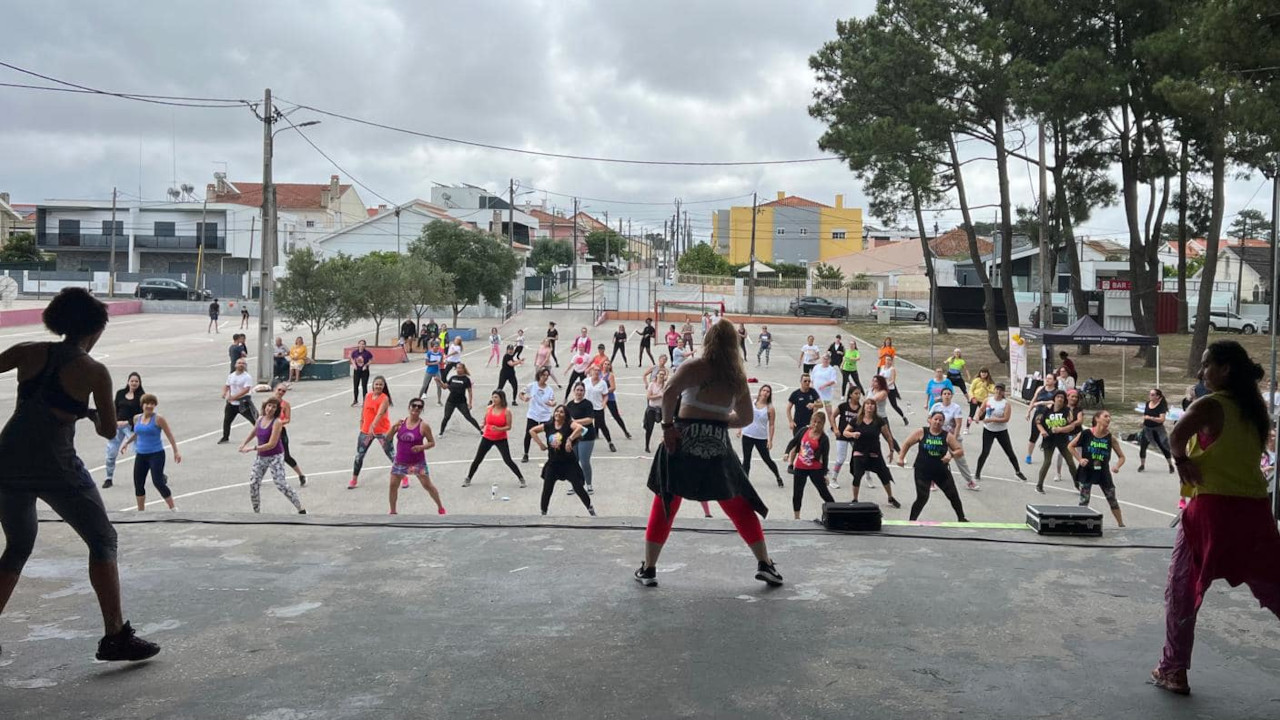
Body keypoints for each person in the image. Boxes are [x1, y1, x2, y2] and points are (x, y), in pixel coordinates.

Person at [0, 288, 161, 662]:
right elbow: (108, 430)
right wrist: (86, 412)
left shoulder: (29, 351)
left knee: (19, 546)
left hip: (7, 459)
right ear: (95, 330)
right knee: (103, 540)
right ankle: (115, 635)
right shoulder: (93, 371)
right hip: (56, 466)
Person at [1153, 341, 1280, 696]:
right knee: (1274, 585)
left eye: (1206, 364)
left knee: (1182, 588)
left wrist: (1182, 462)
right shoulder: (1255, 411)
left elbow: (1176, 437)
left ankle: (1173, 669)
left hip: (1212, 511)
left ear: (1225, 370)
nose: (1200, 372)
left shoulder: (1209, 405)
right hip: (1254, 511)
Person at [636, 319, 781, 588]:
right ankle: (764, 562)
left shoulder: (694, 367)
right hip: (717, 443)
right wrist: (718, 422)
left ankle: (649, 568)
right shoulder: (735, 377)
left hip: (682, 438)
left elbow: (669, 393)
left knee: (667, 500)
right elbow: (746, 417)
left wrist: (668, 426)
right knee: (737, 502)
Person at [897, 411, 969, 523]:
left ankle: (961, 518)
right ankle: (911, 521)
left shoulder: (947, 436)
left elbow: (960, 450)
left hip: (941, 471)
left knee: (953, 495)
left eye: (940, 420)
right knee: (922, 498)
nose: (937, 422)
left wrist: (951, 455)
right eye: (935, 419)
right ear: (930, 420)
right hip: (922, 471)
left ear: (943, 422)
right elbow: (907, 443)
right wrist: (901, 458)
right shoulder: (922, 432)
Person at [239, 397, 306, 515]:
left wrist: (251, 448)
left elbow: (271, 444)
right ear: (265, 406)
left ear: (276, 410)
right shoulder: (260, 419)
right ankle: (256, 512)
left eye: (274, 407)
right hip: (261, 456)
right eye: (269, 406)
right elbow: (254, 431)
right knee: (254, 482)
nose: (270, 409)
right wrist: (244, 443)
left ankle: (300, 508)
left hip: (275, 456)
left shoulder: (277, 422)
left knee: (281, 484)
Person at [118, 393, 181, 511]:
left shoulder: (158, 419)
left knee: (158, 482)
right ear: (142, 405)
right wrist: (126, 443)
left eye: (152, 404)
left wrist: (176, 451)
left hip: (156, 454)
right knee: (138, 483)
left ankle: (172, 507)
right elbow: (138, 433)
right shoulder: (137, 418)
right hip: (141, 455)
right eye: (147, 403)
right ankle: (141, 511)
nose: (149, 406)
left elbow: (170, 435)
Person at [530, 405, 595, 516]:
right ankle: (543, 512)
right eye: (556, 411)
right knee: (547, 489)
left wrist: (570, 439)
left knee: (578, 487)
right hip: (553, 464)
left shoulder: (569, 425)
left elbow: (580, 428)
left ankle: (590, 509)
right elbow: (532, 431)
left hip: (568, 464)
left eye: (561, 412)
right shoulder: (548, 425)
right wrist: (540, 444)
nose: (558, 414)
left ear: (565, 415)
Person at [387, 398, 445, 515]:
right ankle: (393, 511)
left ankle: (440, 507)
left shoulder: (424, 426)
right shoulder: (401, 423)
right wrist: (393, 428)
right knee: (393, 485)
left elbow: (432, 442)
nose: (416, 408)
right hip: (400, 461)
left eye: (419, 407)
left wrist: (421, 447)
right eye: (414, 406)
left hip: (417, 462)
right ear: (409, 407)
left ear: (422, 410)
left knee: (427, 485)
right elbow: (388, 439)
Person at [1069, 410, 1125, 527]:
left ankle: (1121, 524)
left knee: (1112, 498)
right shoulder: (1086, 434)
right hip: (1087, 471)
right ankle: (1079, 524)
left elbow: (1122, 457)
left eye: (1109, 416)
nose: (1108, 419)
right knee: (1084, 500)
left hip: (1103, 472)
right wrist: (1080, 459)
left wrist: (1117, 466)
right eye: (1105, 416)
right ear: (1097, 419)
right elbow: (1070, 446)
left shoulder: (1110, 438)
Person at [462, 391, 526, 488]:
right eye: (493, 397)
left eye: (496, 397)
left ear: (501, 399)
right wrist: (482, 424)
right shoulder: (489, 408)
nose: (493, 399)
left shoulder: (507, 411)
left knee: (507, 460)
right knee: (478, 458)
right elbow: (485, 419)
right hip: (487, 437)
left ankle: (521, 478)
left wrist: (498, 429)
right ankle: (468, 478)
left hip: (501, 438)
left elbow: (508, 427)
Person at [846, 398, 902, 507]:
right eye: (867, 404)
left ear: (875, 407)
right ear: (864, 406)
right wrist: (853, 434)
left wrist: (891, 450)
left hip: (874, 452)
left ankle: (890, 497)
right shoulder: (856, 419)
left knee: (884, 475)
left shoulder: (879, 421)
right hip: (859, 452)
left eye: (872, 404)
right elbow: (845, 432)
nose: (870, 406)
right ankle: (855, 499)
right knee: (857, 476)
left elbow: (888, 437)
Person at [973, 383, 1027, 482]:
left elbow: (1006, 419)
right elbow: (981, 410)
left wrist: (992, 419)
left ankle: (1018, 472)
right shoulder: (988, 400)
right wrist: (977, 416)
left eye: (1000, 390)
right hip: (988, 430)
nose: (998, 392)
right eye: (997, 389)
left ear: (1003, 392)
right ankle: (977, 472)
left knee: (1009, 452)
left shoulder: (1005, 404)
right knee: (985, 452)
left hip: (1001, 431)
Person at [787, 411, 835, 519]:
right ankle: (797, 517)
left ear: (823, 424)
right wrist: (787, 453)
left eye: (819, 423)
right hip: (800, 468)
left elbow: (825, 457)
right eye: (814, 422)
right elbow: (793, 442)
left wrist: (824, 474)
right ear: (811, 421)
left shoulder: (824, 438)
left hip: (815, 469)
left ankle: (835, 511)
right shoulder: (804, 431)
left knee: (824, 492)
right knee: (797, 494)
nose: (816, 424)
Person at [349, 376, 395, 489]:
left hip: (382, 431)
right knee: (359, 456)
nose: (378, 386)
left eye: (381, 384)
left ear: (384, 386)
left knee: (392, 455)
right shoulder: (368, 396)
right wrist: (361, 420)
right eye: (376, 384)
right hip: (366, 431)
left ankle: (403, 477)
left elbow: (379, 414)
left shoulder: (385, 398)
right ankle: (354, 479)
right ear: (373, 385)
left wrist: (372, 426)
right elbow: (364, 409)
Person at [931, 388, 979, 491]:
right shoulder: (936, 406)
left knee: (960, 459)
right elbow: (929, 418)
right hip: (939, 436)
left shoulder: (956, 407)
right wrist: (934, 427)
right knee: (935, 458)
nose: (947, 395)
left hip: (952, 436)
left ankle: (970, 481)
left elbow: (958, 424)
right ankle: (932, 481)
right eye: (944, 394)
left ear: (951, 395)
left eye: (949, 394)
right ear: (941, 395)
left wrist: (954, 438)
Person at [102, 371, 144, 489]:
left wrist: (128, 422)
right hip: (118, 427)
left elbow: (142, 415)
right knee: (111, 452)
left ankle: (157, 474)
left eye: (136, 381)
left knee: (140, 452)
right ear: (128, 382)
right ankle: (108, 478)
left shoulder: (141, 396)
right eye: (132, 381)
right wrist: (113, 421)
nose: (134, 383)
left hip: (132, 427)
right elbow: (114, 408)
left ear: (139, 383)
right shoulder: (121, 393)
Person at [739, 384, 783, 488]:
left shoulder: (770, 408)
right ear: (760, 391)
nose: (765, 393)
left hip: (761, 437)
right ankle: (745, 482)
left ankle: (778, 476)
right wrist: (740, 428)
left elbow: (771, 425)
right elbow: (744, 415)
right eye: (764, 390)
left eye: (768, 391)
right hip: (748, 435)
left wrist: (770, 440)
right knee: (746, 460)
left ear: (769, 394)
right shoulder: (752, 402)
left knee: (767, 459)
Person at [1034, 390, 1077, 494]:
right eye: (1058, 397)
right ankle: (1039, 485)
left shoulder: (1067, 411)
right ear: (1054, 398)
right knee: (1047, 462)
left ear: (1064, 400)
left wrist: (1060, 429)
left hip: (1062, 440)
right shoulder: (1046, 410)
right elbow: (1038, 422)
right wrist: (1043, 431)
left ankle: (1077, 484)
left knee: (1071, 462)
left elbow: (1072, 426)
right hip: (1049, 439)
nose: (1060, 399)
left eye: (1062, 397)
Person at [565, 383, 599, 493]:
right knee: (573, 462)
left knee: (584, 461)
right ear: (573, 391)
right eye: (577, 390)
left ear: (584, 392)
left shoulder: (587, 404)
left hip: (586, 436)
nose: (579, 392)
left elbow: (589, 419)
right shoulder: (569, 405)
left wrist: (575, 422)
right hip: (574, 436)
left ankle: (588, 484)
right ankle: (575, 484)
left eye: (581, 390)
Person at [272, 383, 307, 487]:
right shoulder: (268, 403)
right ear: (275, 389)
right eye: (279, 390)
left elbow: (287, 419)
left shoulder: (285, 404)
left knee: (286, 456)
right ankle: (258, 475)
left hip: (280, 431)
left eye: (283, 391)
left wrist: (278, 422)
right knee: (265, 454)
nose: (281, 392)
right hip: (269, 431)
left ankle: (300, 475)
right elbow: (262, 416)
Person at [519, 368, 557, 462]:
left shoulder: (549, 389)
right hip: (533, 414)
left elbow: (552, 400)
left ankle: (552, 455)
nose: (545, 377)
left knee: (550, 435)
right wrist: (524, 398)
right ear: (539, 375)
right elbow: (521, 393)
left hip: (545, 415)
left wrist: (552, 403)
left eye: (547, 376)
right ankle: (526, 454)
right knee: (528, 434)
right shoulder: (532, 385)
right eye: (544, 375)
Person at [830, 386, 864, 489]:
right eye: (856, 393)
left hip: (854, 436)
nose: (858, 396)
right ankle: (833, 479)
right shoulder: (843, 406)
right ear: (850, 395)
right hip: (842, 435)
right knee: (841, 458)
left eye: (859, 394)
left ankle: (865, 476)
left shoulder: (861, 409)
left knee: (861, 456)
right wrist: (835, 428)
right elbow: (832, 416)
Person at [219, 358, 258, 444]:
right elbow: (227, 385)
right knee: (227, 421)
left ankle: (263, 434)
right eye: (239, 363)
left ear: (245, 366)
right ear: (235, 365)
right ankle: (225, 437)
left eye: (243, 363)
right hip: (231, 404)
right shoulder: (231, 375)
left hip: (243, 403)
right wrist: (224, 393)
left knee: (254, 420)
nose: (241, 365)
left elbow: (246, 389)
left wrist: (234, 397)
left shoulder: (247, 377)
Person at [1024, 373, 1060, 463]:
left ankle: (1048, 457)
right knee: (1033, 436)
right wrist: (1028, 411)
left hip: (1049, 416)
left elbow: (1053, 402)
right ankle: (1029, 455)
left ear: (1054, 381)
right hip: (1038, 414)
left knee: (1049, 437)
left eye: (1050, 379)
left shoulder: (1056, 392)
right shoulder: (1040, 389)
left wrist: (1041, 402)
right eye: (1046, 378)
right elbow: (1034, 400)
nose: (1047, 380)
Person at [1138, 387, 1176, 474]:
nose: (1150, 396)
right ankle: (1142, 465)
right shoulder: (1148, 403)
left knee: (1163, 447)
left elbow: (1162, 419)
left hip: (1157, 430)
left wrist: (1150, 418)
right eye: (1150, 394)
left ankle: (1170, 464)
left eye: (1152, 395)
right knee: (1143, 446)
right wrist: (1143, 422)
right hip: (1147, 429)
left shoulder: (1161, 406)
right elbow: (1145, 415)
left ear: (1157, 397)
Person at [439, 363, 482, 436]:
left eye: (460, 368)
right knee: (446, 417)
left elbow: (470, 391)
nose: (458, 370)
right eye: (457, 368)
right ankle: (441, 432)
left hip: (461, 402)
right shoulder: (452, 378)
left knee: (468, 417)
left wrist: (470, 403)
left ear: (463, 369)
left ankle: (480, 431)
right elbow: (444, 387)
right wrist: (439, 381)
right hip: (451, 401)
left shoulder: (466, 379)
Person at [584, 365, 617, 453]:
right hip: (587, 408)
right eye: (595, 370)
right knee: (584, 425)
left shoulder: (603, 383)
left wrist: (604, 403)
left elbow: (605, 394)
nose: (596, 372)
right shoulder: (586, 381)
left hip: (598, 407)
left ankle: (610, 442)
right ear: (591, 371)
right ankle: (583, 443)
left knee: (602, 425)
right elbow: (579, 390)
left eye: (598, 370)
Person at [810, 352, 841, 432]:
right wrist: (812, 387)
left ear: (829, 360)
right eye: (824, 359)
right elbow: (812, 378)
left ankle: (833, 426)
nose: (825, 360)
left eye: (827, 359)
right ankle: (811, 424)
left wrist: (825, 385)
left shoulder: (831, 370)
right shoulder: (816, 367)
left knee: (829, 411)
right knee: (815, 409)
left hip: (826, 394)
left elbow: (833, 381)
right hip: (817, 394)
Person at [601, 360, 631, 441]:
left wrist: (604, 392)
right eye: (605, 364)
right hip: (600, 398)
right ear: (602, 365)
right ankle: (596, 433)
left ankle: (625, 431)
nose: (606, 366)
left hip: (610, 398)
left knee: (616, 415)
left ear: (610, 366)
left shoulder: (610, 375)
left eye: (608, 364)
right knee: (598, 415)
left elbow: (613, 388)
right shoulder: (599, 374)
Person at [642, 367, 669, 454]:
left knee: (666, 427)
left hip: (662, 409)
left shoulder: (666, 386)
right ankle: (647, 445)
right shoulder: (652, 385)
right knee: (649, 428)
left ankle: (666, 444)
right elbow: (649, 397)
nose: (661, 376)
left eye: (663, 375)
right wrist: (659, 395)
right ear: (657, 375)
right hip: (652, 409)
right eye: (660, 374)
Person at [878, 356, 909, 424]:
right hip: (882, 389)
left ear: (891, 361)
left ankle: (903, 417)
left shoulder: (892, 369)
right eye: (887, 360)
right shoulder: (882, 367)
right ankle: (877, 418)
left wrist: (886, 385)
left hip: (890, 389)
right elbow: (879, 377)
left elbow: (892, 380)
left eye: (889, 360)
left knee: (894, 405)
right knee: (879, 403)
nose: (888, 361)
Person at [419, 339, 446, 405]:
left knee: (439, 386)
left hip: (437, 371)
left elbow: (441, 362)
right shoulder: (429, 353)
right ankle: (418, 398)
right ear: (432, 347)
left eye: (437, 346)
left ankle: (439, 401)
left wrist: (444, 362)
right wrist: (435, 363)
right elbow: (426, 363)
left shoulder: (440, 354)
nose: (436, 348)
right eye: (435, 346)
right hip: (429, 371)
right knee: (424, 385)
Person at [350, 339, 373, 407]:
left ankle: (365, 401)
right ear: (358, 344)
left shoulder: (367, 353)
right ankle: (355, 400)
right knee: (355, 386)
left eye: (363, 344)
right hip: (357, 371)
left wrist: (366, 365)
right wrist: (353, 364)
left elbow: (371, 360)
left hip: (364, 371)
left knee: (364, 386)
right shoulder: (355, 352)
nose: (362, 345)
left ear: (365, 345)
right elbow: (352, 358)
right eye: (360, 344)